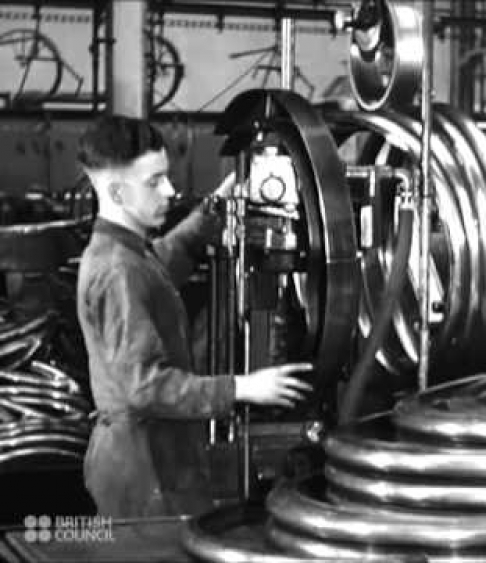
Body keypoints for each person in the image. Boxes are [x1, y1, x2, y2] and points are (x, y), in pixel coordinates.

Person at [75, 114, 312, 518]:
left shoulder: (127, 252)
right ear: (116, 192)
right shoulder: (117, 270)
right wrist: (241, 388)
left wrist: (213, 209)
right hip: (144, 466)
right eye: (154, 182)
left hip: (154, 449)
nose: (169, 190)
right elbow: (144, 387)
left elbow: (162, 265)